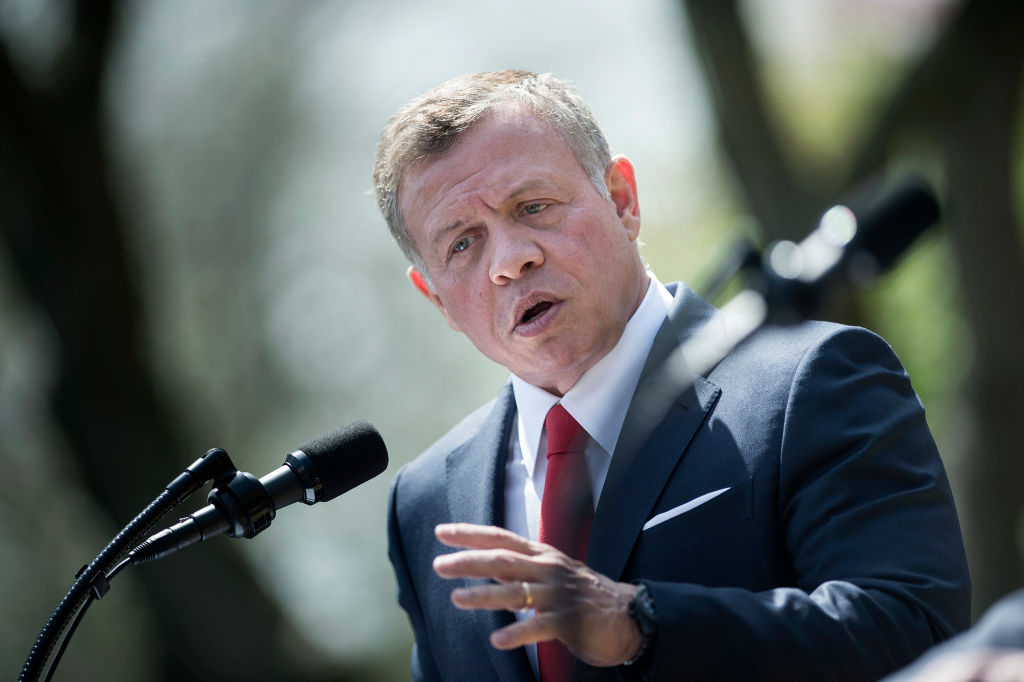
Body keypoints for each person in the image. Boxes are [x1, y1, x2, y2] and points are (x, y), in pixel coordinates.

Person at [374, 70, 971, 681]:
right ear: (437, 300)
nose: (510, 260)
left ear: (623, 201)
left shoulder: (811, 382)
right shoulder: (427, 503)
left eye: (534, 207)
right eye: (463, 244)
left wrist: (642, 624)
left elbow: (915, 631)